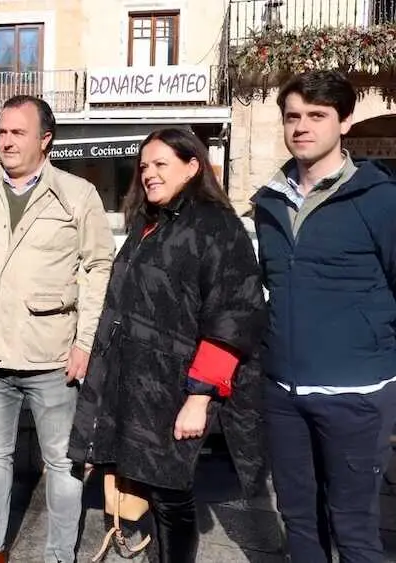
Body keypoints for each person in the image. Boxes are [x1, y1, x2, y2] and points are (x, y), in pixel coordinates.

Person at [68, 128, 267, 563]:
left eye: (161, 165)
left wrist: (199, 397)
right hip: (137, 382)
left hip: (179, 386)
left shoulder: (216, 226)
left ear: (192, 166)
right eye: (143, 167)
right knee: (149, 488)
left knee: (171, 494)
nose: (148, 174)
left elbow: (234, 313)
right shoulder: (148, 223)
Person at [0, 95, 114, 563]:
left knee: (62, 462)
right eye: (1, 132)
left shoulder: (77, 195)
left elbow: (99, 269)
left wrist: (86, 344)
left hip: (53, 357)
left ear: (46, 139)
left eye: (18, 132)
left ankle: (60, 555)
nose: (7, 141)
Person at [252, 70, 396, 563]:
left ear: (345, 121)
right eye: (293, 116)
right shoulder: (268, 202)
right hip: (284, 393)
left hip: (354, 393)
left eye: (317, 115)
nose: (302, 127)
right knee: (299, 523)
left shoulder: (380, 198)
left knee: (354, 530)